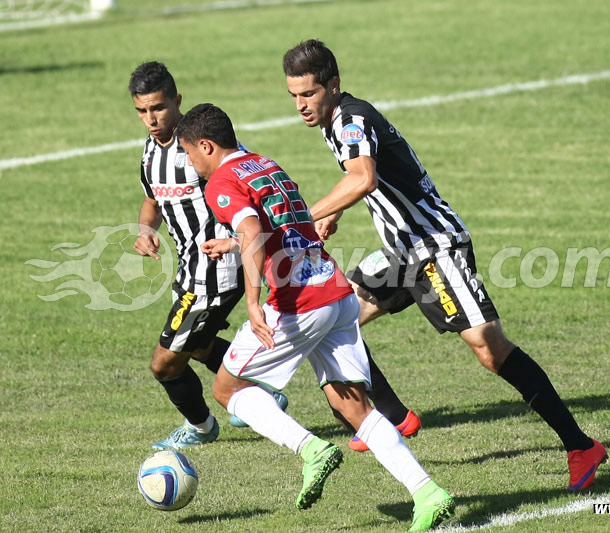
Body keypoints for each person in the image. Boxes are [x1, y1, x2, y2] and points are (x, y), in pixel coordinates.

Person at [282, 39, 607, 491]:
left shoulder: (351, 119)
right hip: (402, 251)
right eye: (294, 96)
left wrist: (303, 217)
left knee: (489, 348)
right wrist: (334, 211)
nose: (300, 105)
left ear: (333, 86)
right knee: (338, 315)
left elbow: (363, 177)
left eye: (308, 94)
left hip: (434, 246)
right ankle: (393, 416)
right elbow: (367, 179)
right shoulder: (335, 120)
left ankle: (580, 446)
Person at [177, 103, 455, 531]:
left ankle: (311, 449)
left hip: (299, 303)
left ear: (206, 145)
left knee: (227, 386)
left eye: (189, 154)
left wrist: (253, 302)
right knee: (355, 406)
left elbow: (251, 230)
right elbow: (289, 225)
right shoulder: (265, 163)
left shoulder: (221, 181)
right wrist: (235, 247)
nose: (190, 164)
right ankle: (428, 492)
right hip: (336, 292)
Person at [127, 61, 288, 450]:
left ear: (177, 100)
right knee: (198, 344)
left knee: (164, 363)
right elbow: (152, 199)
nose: (150, 118)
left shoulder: (201, 147)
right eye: (142, 111)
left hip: (220, 267)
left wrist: (238, 241)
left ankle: (201, 426)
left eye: (158, 108)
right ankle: (261, 392)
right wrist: (146, 229)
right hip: (188, 269)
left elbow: (247, 178)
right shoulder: (151, 151)